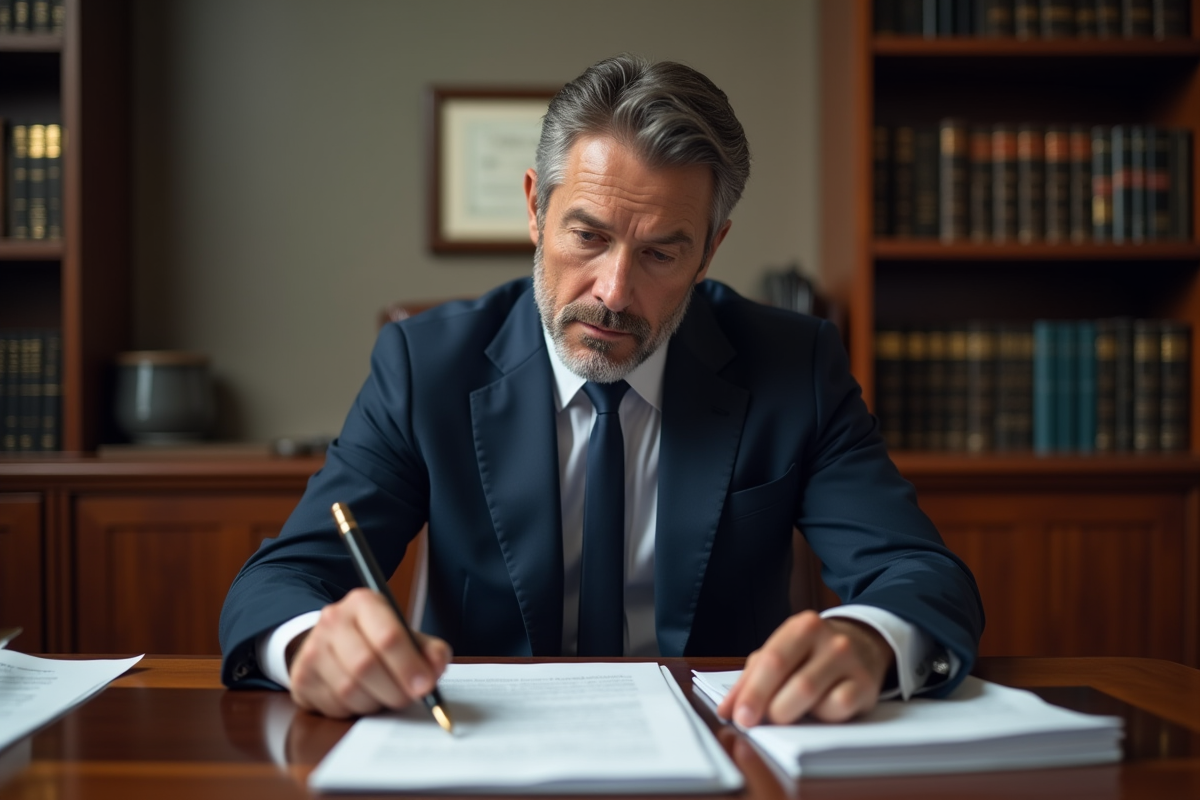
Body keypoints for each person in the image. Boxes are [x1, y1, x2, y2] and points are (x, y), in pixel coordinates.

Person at [219, 54, 984, 727]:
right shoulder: (427, 367)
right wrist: (312, 644)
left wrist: (868, 641)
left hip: (726, 747)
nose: (613, 293)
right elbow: (283, 578)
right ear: (533, 208)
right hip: (482, 748)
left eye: (659, 252)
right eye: (587, 236)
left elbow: (921, 575)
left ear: (710, 248)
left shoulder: (794, 367)